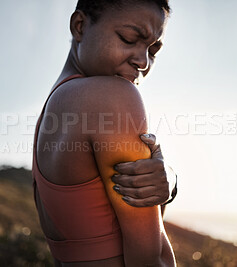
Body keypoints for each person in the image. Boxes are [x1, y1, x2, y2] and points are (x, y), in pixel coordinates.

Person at [32, 0, 177, 265]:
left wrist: (169, 185)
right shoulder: (111, 96)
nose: (143, 62)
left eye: (153, 50)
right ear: (80, 26)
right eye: (129, 38)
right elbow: (148, 258)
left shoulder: (55, 107)